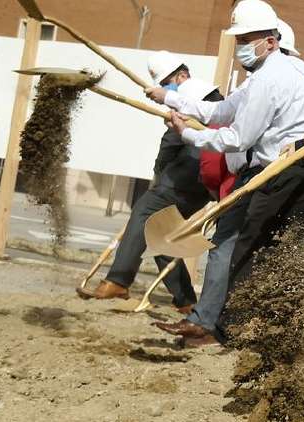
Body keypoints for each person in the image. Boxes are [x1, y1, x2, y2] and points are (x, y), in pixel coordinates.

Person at [146, 1, 304, 347]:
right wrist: (170, 100)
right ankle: (208, 322)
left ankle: (233, 329)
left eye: (248, 39)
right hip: (271, 169)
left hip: (292, 172)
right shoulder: (265, 76)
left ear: (271, 41)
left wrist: (188, 134)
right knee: (227, 240)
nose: (242, 47)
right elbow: (221, 109)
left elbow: (237, 138)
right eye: (240, 40)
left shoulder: (272, 79)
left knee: (254, 248)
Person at [76, 52, 221, 312]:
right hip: (208, 177)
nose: (166, 89)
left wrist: (160, 175)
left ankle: (118, 280)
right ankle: (186, 301)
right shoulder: (216, 100)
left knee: (145, 211)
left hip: (190, 171)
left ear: (182, 75)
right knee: (162, 230)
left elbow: (172, 142)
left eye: (167, 83)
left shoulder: (191, 92)